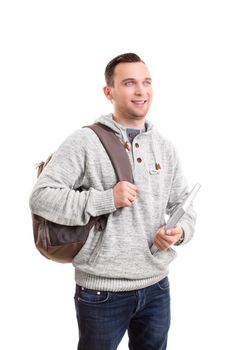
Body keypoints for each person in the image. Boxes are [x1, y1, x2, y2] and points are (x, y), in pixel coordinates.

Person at [29, 53, 196, 350]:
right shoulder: (85, 142)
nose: (141, 91)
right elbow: (41, 197)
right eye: (129, 83)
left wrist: (178, 232)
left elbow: (184, 203)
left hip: (157, 285)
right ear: (109, 92)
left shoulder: (165, 147)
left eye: (146, 82)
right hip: (102, 290)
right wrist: (107, 199)